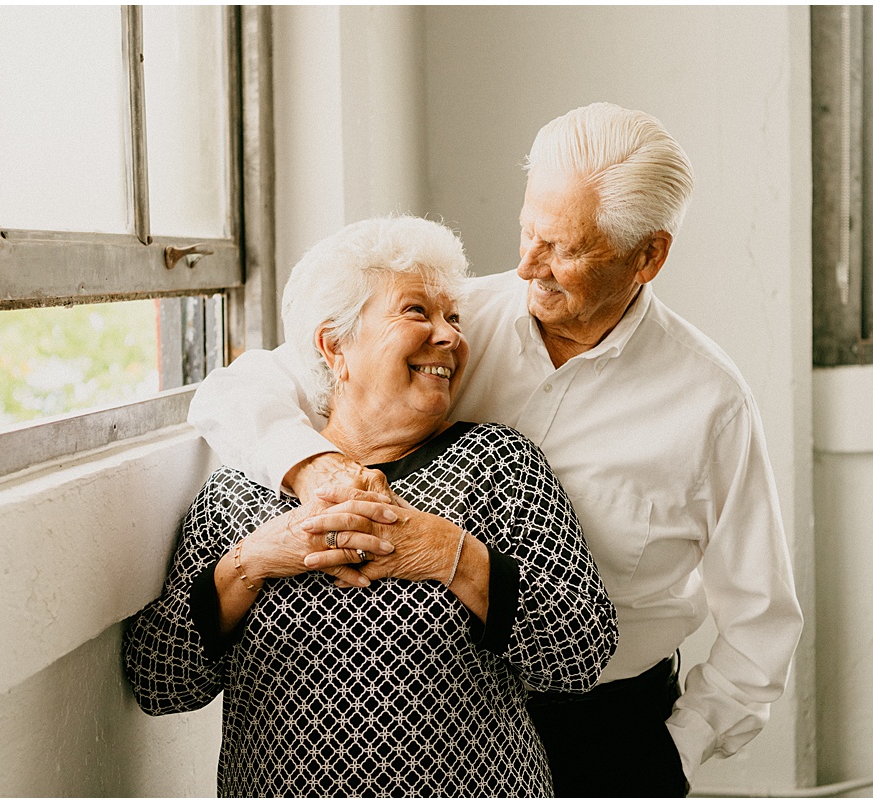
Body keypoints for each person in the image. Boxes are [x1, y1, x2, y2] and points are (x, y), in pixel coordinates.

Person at [187, 104, 804, 797]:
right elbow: (237, 388)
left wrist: (673, 754)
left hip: (606, 727)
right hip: (455, 725)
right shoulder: (455, 323)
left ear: (648, 256)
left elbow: (763, 619)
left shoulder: (710, 402)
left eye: (563, 249)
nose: (526, 265)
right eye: (527, 231)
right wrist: (313, 467)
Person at [124, 215, 618, 797]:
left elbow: (582, 653)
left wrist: (448, 554)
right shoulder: (237, 497)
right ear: (336, 347)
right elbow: (160, 682)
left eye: (453, 318)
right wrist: (251, 563)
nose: (450, 337)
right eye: (417, 312)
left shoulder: (499, 466)